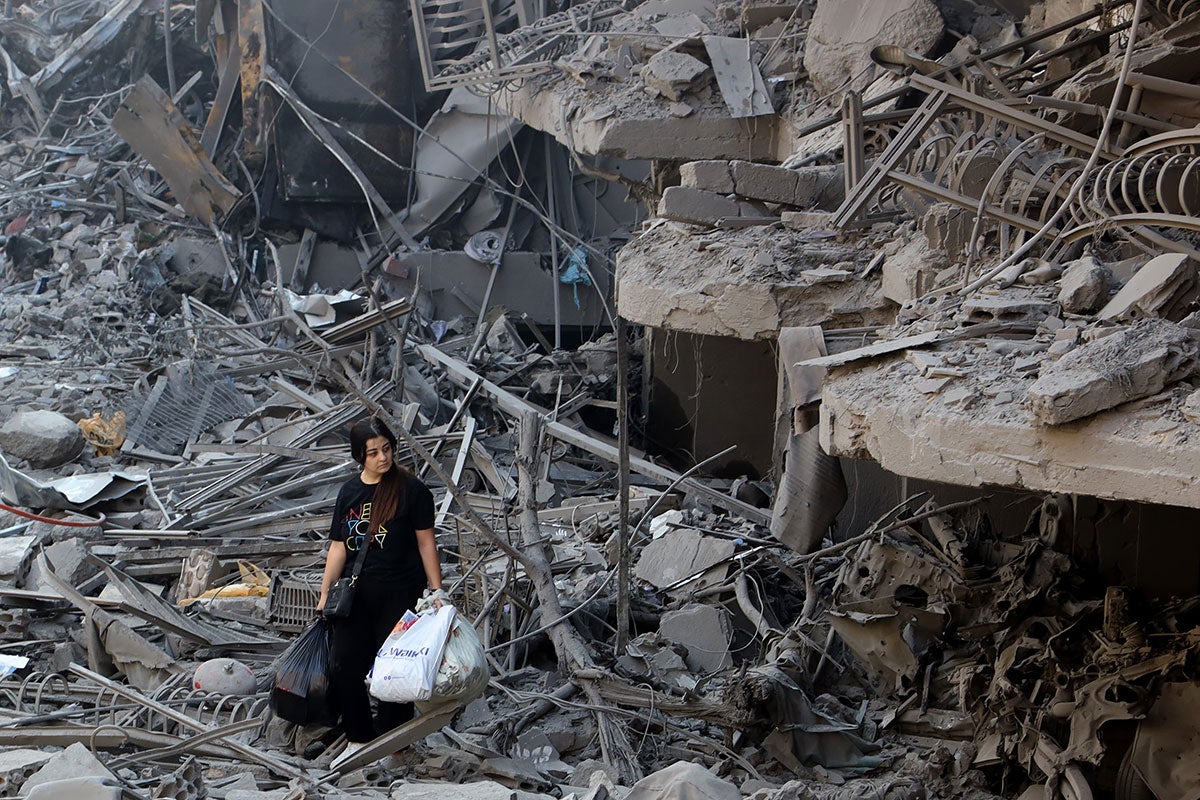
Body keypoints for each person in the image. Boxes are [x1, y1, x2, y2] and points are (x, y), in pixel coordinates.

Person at [317, 415, 446, 758]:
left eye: (386, 449)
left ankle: (395, 745)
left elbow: (426, 544)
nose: (382, 457)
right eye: (373, 452)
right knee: (343, 663)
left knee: (395, 670)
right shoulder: (349, 492)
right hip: (357, 593)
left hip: (402, 592)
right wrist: (325, 591)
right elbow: (338, 546)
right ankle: (359, 739)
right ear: (359, 456)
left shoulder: (412, 491)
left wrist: (437, 591)